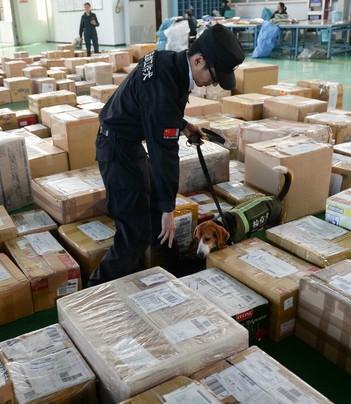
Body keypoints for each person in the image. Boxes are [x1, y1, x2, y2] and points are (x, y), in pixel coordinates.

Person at [87, 24, 244, 286]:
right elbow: (164, 155)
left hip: (128, 143)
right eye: (215, 77)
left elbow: (156, 108)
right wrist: (168, 209)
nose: (214, 84)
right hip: (117, 150)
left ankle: (175, 271)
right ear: (198, 60)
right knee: (135, 234)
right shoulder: (166, 83)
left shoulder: (170, 62)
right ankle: (91, 295)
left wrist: (183, 124)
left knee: (154, 209)